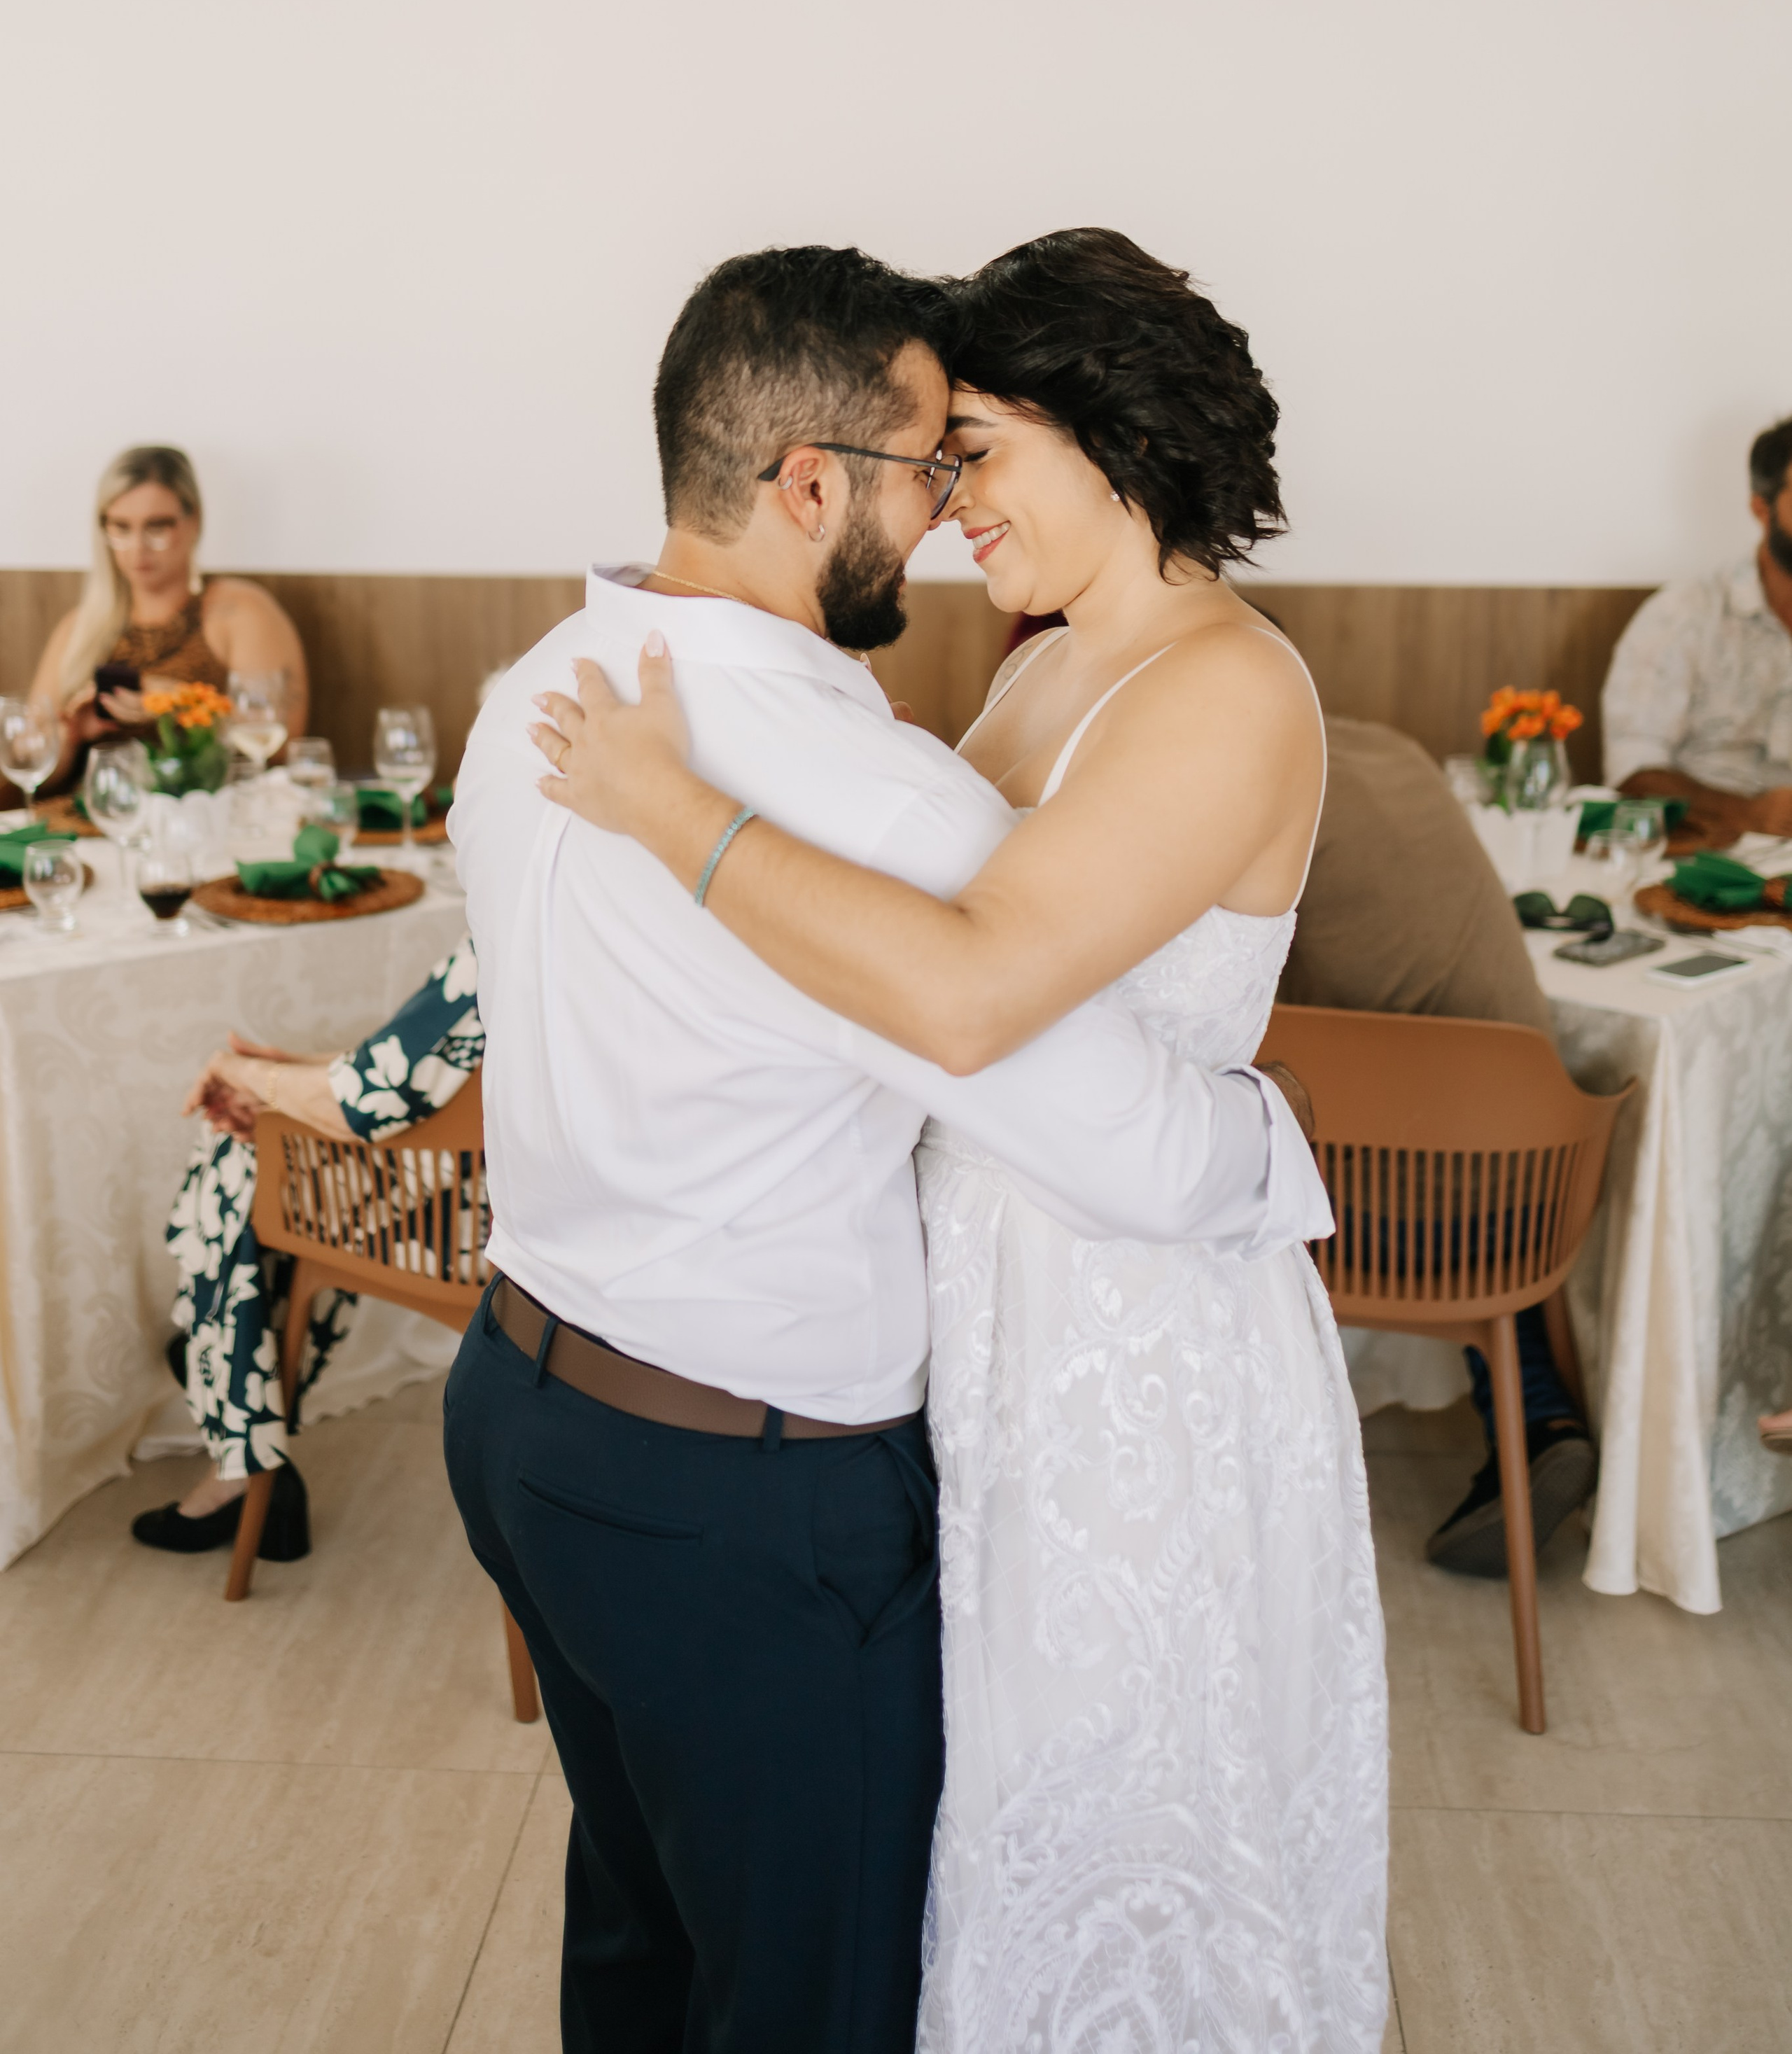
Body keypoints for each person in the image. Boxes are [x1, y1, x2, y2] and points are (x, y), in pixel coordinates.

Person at [517, 234, 1387, 2054]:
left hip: (1136, 1334)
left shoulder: (1227, 686)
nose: (947, 507)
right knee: (994, 1827)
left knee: (1127, 1814)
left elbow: (977, 989)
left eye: (977, 448)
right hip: (994, 1317)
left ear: (1113, 431)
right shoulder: (1043, 670)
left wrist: (674, 810)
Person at [1278, 715, 1597, 1577]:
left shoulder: (1253, 792)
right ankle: (1536, 1419)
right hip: (1539, 1179)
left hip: (1403, 1214)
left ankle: (1230, 1477)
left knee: (1206, 1168)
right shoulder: (1392, 746)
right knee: (1436, 1139)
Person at [131, 939, 483, 1557]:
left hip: (470, 1229)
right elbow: (434, 1064)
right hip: (511, 1189)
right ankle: (236, 1384)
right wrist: (297, 1074)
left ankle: (238, 1426)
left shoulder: (526, 894)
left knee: (241, 1152)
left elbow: (390, 1088)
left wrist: (257, 1077)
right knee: (267, 1129)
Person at [27, 443, 308, 790]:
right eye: (121, 528)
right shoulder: (79, 629)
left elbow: (280, 745)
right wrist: (69, 737)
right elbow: (28, 770)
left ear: (194, 523)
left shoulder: (239, 612)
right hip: (92, 822)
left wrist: (177, 702)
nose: (137, 548)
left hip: (209, 821)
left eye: (157, 528)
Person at [1601, 414, 1792, 844]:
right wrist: (1750, 813)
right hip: (1700, 857)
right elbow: (1633, 772)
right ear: (1761, 509)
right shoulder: (1683, 613)